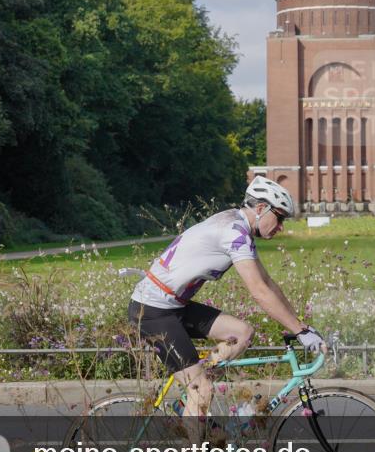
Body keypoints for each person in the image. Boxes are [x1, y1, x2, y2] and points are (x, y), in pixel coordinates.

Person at [128, 176, 326, 421]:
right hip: (152, 311)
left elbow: (268, 284)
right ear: (262, 208)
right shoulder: (234, 232)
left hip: (173, 307)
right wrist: (299, 331)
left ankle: (188, 402)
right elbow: (259, 292)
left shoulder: (237, 225)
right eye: (280, 217)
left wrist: (301, 327)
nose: (281, 226)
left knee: (242, 332)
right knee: (203, 392)